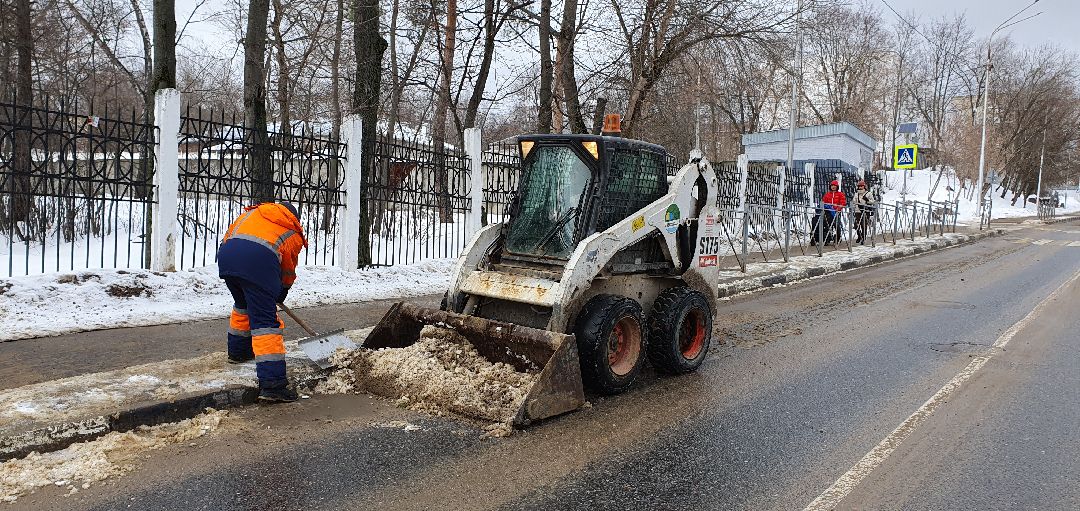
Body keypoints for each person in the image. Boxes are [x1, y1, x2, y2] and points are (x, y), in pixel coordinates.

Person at [218, 201, 307, 402]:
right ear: (293, 217)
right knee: (265, 322)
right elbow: (287, 269)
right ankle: (273, 385)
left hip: (227, 260)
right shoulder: (290, 230)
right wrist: (282, 290)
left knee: (243, 306)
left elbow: (229, 238)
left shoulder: (251, 215)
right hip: (257, 263)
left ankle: (238, 353)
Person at [811, 180, 847, 246]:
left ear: (837, 187)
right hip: (827, 212)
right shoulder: (827, 194)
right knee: (825, 223)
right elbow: (823, 202)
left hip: (836, 212)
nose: (833, 187)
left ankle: (838, 237)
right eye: (832, 185)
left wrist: (838, 209)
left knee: (837, 225)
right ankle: (822, 237)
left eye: (835, 186)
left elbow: (843, 203)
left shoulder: (840, 194)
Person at [852, 180, 875, 244]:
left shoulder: (869, 193)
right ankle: (859, 236)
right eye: (859, 186)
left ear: (864, 186)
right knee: (856, 225)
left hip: (865, 211)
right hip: (857, 211)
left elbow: (873, 201)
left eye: (861, 186)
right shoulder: (856, 194)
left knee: (863, 225)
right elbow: (853, 201)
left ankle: (863, 238)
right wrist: (854, 206)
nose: (860, 187)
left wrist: (867, 200)